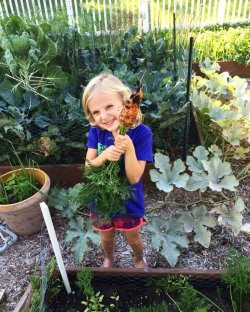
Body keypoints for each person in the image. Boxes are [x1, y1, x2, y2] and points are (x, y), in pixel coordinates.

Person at [82, 73, 153, 268]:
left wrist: (128, 148)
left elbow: (134, 177)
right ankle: (109, 258)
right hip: (102, 200)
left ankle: (138, 259)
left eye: (109, 107)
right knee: (106, 238)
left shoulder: (141, 133)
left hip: (129, 200)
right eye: (96, 112)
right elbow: (88, 169)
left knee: (133, 238)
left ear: (124, 102)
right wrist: (104, 157)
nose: (103, 116)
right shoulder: (96, 131)